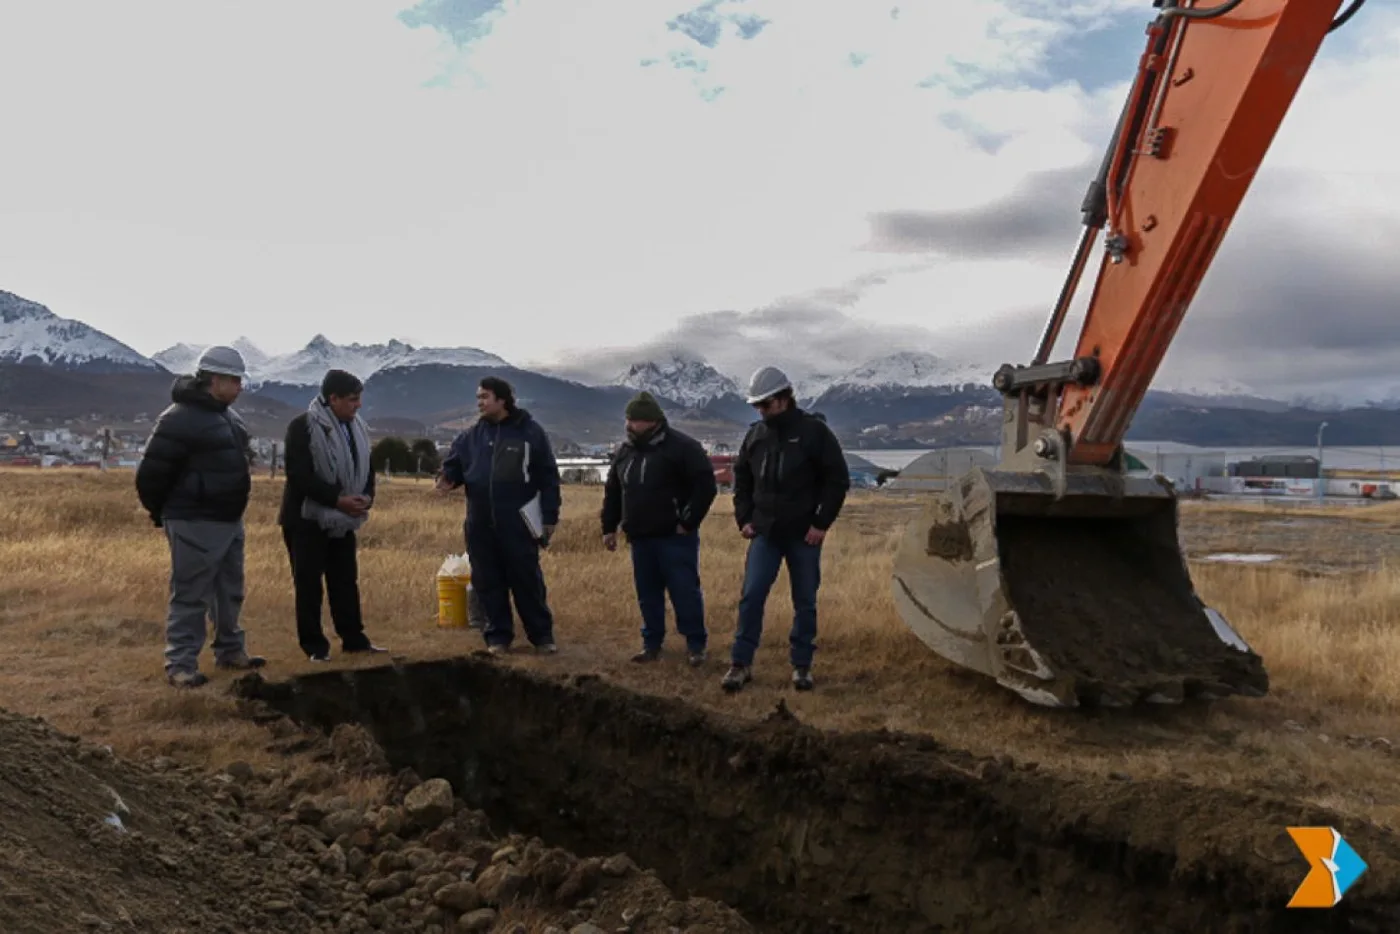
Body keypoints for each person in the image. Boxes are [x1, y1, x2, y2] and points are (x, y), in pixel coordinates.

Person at [135, 345, 266, 688]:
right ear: (216, 379)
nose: (240, 387)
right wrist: (161, 513)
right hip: (194, 519)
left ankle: (230, 650)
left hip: (226, 519)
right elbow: (151, 474)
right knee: (191, 593)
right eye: (235, 380)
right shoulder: (179, 419)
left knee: (229, 590)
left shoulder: (226, 416)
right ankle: (180, 664)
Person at [722, 365, 850, 693]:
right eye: (756, 406)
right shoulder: (755, 436)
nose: (760, 411)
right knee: (751, 597)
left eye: (765, 405)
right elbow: (743, 480)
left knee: (805, 601)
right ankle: (740, 663)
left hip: (804, 536)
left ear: (783, 400)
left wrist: (821, 524)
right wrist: (745, 518)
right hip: (765, 534)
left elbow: (836, 481)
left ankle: (802, 666)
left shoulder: (815, 433)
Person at [435, 376, 561, 655]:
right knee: (487, 582)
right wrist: (447, 479)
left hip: (519, 523)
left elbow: (548, 476)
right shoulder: (470, 437)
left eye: (484, 397)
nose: (479, 402)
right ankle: (498, 638)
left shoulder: (530, 433)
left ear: (502, 400)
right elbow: (454, 466)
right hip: (480, 524)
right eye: (478, 397)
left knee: (527, 581)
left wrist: (550, 516)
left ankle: (542, 637)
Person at [601, 391, 718, 666]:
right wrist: (609, 527)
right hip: (640, 537)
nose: (629, 425)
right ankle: (651, 643)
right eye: (628, 419)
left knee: (684, 591)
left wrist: (687, 522)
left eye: (635, 420)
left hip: (674, 537)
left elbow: (705, 487)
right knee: (647, 593)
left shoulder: (683, 448)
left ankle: (695, 645)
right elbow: (614, 491)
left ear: (652, 421)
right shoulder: (624, 452)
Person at [278, 369, 387, 662]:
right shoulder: (302, 427)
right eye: (352, 399)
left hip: (344, 519)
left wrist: (365, 499)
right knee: (309, 584)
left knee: (345, 581)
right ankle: (315, 647)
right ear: (333, 399)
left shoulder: (358, 430)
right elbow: (299, 475)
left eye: (359, 398)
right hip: (305, 519)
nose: (358, 405)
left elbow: (368, 469)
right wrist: (336, 501)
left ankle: (354, 639)